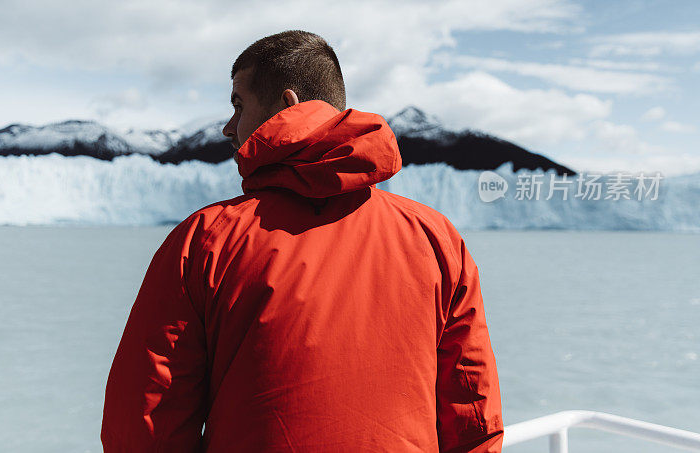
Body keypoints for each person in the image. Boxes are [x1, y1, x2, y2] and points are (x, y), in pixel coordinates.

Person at [101, 30, 503, 452]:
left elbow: (146, 419)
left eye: (239, 105)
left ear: (289, 105)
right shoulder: (435, 237)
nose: (228, 127)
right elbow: (473, 411)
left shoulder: (206, 240)